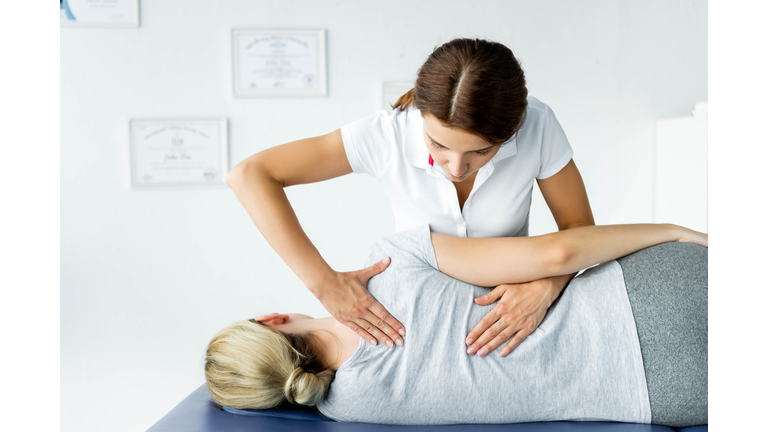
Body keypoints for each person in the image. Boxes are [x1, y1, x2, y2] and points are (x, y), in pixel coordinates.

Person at [226, 37, 595, 358]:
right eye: (438, 145)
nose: (455, 167)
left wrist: (545, 287)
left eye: (481, 152)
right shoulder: (385, 135)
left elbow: (578, 228)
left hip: (514, 312)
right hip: (416, 318)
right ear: (421, 112)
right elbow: (249, 175)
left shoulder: (538, 125)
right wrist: (324, 284)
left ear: (513, 129)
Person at [204, 223, 708, 427]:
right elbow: (559, 252)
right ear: (270, 319)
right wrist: (671, 230)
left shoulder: (350, 409)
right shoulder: (394, 262)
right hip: (649, 292)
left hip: (664, 394)